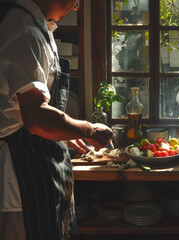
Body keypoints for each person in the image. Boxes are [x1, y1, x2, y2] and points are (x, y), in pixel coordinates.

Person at [0, 0, 114, 239]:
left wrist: (67, 134)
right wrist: (88, 129)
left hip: (37, 162)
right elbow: (36, 118)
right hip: (21, 175)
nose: (76, 7)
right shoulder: (23, 30)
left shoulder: (38, 28)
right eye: (77, 1)